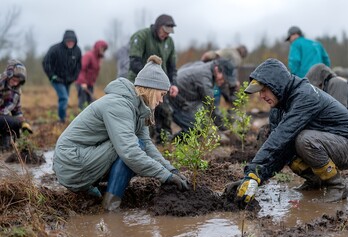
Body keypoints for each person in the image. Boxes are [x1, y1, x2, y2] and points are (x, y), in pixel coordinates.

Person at [53, 55, 189, 211]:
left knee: (140, 146)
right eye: (162, 94)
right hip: (71, 161)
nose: (161, 101)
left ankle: (94, 190)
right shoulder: (119, 105)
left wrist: (171, 170)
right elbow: (130, 152)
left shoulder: (140, 108)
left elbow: (149, 146)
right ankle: (111, 205)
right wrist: (165, 176)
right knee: (133, 148)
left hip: (84, 156)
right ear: (151, 89)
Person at [226, 58, 348, 206]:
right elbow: (278, 151)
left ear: (276, 85)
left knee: (303, 139)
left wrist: (252, 170)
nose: (261, 96)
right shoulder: (278, 108)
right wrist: (253, 177)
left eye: (263, 90)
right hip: (329, 142)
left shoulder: (305, 95)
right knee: (268, 134)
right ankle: (315, 180)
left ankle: (336, 186)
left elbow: (281, 136)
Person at [128, 14, 179, 143]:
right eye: (164, 31)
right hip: (140, 83)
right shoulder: (141, 36)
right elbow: (134, 62)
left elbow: (172, 66)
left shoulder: (169, 42)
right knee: (143, 113)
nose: (166, 35)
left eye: (168, 33)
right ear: (157, 27)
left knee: (165, 111)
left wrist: (173, 84)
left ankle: (165, 141)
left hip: (161, 84)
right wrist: (151, 80)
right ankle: (143, 141)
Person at [170, 58, 235, 138]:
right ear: (217, 69)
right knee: (196, 129)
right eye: (223, 78)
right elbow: (211, 107)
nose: (223, 81)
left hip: (183, 100)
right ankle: (170, 141)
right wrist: (225, 127)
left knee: (202, 124)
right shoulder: (204, 78)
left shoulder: (206, 67)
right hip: (172, 102)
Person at [43, 30, 82, 123]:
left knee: (65, 99)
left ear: (75, 41)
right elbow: (46, 62)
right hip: (57, 79)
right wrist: (52, 76)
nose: (70, 43)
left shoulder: (77, 51)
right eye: (68, 41)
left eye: (72, 41)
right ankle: (61, 119)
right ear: (64, 41)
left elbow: (79, 66)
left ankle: (62, 117)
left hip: (68, 80)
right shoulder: (55, 49)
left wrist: (74, 77)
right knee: (64, 97)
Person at [0, 60, 33, 151]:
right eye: (14, 80)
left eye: (18, 81)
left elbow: (17, 111)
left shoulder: (16, 92)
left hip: (3, 119)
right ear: (8, 75)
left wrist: (23, 122)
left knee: (17, 124)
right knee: (12, 122)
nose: (15, 83)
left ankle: (7, 147)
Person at [75, 40, 108, 110]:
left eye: (104, 49)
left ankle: (89, 120)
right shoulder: (88, 55)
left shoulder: (98, 58)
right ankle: (81, 118)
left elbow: (94, 72)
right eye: (102, 48)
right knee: (83, 103)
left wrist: (92, 82)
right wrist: (83, 82)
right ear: (98, 47)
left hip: (90, 84)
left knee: (90, 102)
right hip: (82, 83)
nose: (103, 50)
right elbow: (81, 69)